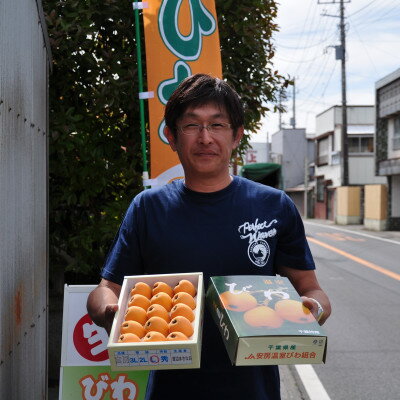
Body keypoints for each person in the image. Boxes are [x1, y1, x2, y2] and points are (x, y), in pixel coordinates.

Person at [87, 73, 331, 400]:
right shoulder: (148, 208)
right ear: (172, 137)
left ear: (237, 136)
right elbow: (105, 290)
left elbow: (311, 288)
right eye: (192, 126)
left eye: (217, 125)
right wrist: (110, 311)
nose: (205, 138)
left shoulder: (274, 205)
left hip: (255, 391)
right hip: (170, 391)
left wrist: (310, 310)